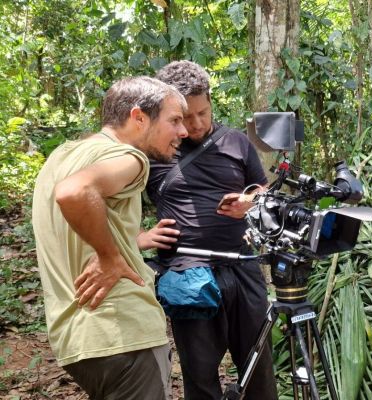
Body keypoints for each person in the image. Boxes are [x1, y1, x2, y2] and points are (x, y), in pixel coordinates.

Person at [31, 76, 188, 399]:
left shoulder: (62, 156)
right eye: (174, 120)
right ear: (139, 117)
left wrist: (128, 244)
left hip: (79, 340)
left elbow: (74, 219)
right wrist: (109, 256)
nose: (183, 132)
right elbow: (75, 192)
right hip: (123, 331)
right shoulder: (131, 158)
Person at [137, 60, 278, 400]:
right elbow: (114, 207)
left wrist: (250, 202)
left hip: (243, 266)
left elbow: (264, 192)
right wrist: (137, 239)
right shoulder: (152, 151)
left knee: (258, 371)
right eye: (186, 117)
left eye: (203, 112)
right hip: (188, 273)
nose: (197, 124)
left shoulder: (235, 142)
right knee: (200, 375)